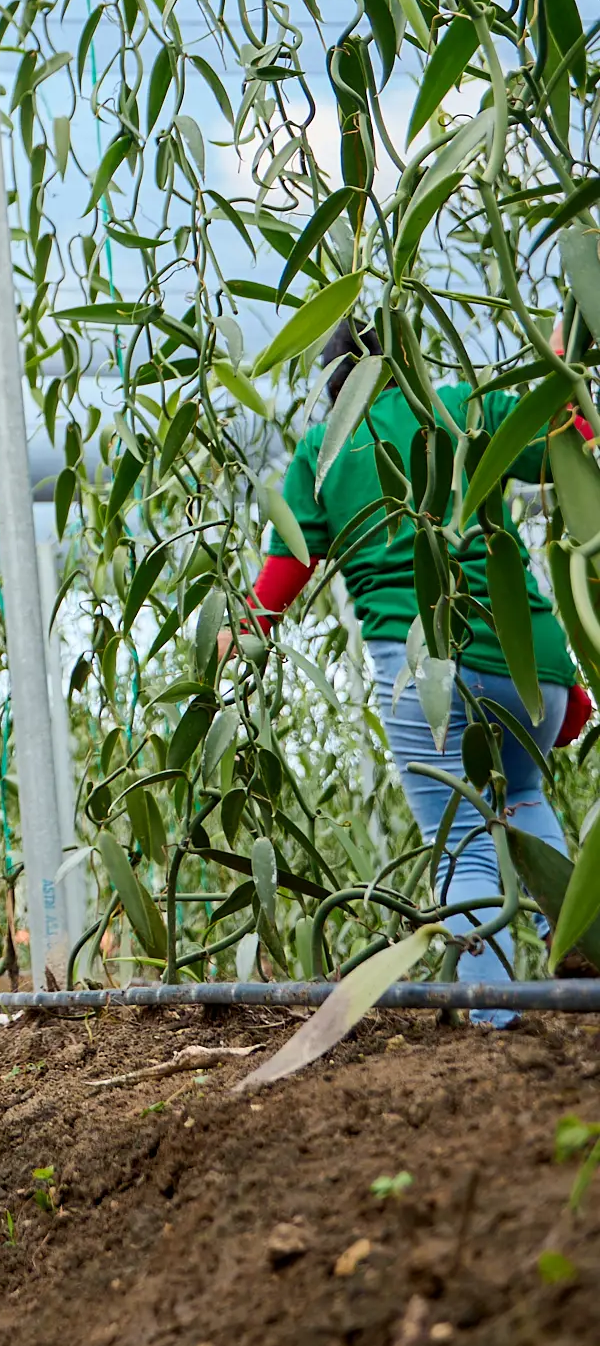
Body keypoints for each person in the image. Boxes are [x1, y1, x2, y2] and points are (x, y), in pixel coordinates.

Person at [246, 316, 592, 1022]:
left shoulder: (323, 450)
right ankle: (583, 946)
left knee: (462, 842)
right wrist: (562, 366)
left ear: (336, 386)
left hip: (426, 669)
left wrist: (242, 632)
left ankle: (493, 1018)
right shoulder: (460, 405)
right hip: (533, 663)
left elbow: (288, 564)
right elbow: (571, 439)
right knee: (523, 801)